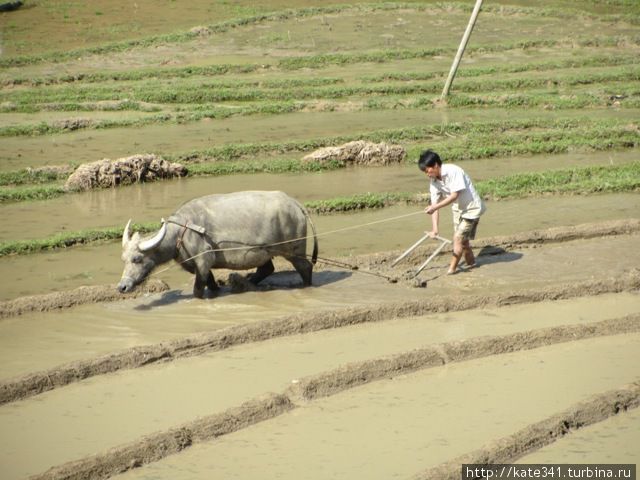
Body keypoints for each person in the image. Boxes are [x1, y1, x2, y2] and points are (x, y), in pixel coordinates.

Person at [418, 149, 486, 275]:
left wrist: (435, 206)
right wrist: (435, 229)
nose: (427, 174)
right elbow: (434, 206)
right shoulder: (434, 182)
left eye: (428, 170)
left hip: (471, 208)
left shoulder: (453, 171)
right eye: (425, 172)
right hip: (458, 209)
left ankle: (451, 270)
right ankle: (472, 264)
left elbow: (455, 195)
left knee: (457, 238)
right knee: (464, 242)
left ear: (436, 165)